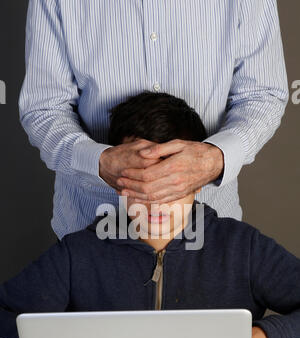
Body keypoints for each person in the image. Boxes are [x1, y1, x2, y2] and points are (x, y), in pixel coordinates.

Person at [2, 91, 300, 338]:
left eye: (170, 183)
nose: (155, 202)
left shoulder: (242, 249)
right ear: (118, 180)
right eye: (142, 182)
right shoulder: (78, 254)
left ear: (198, 179)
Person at [19, 0, 289, 239]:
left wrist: (213, 160)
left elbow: (262, 95)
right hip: (91, 228)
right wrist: (99, 163)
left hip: (211, 232)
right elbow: (44, 108)